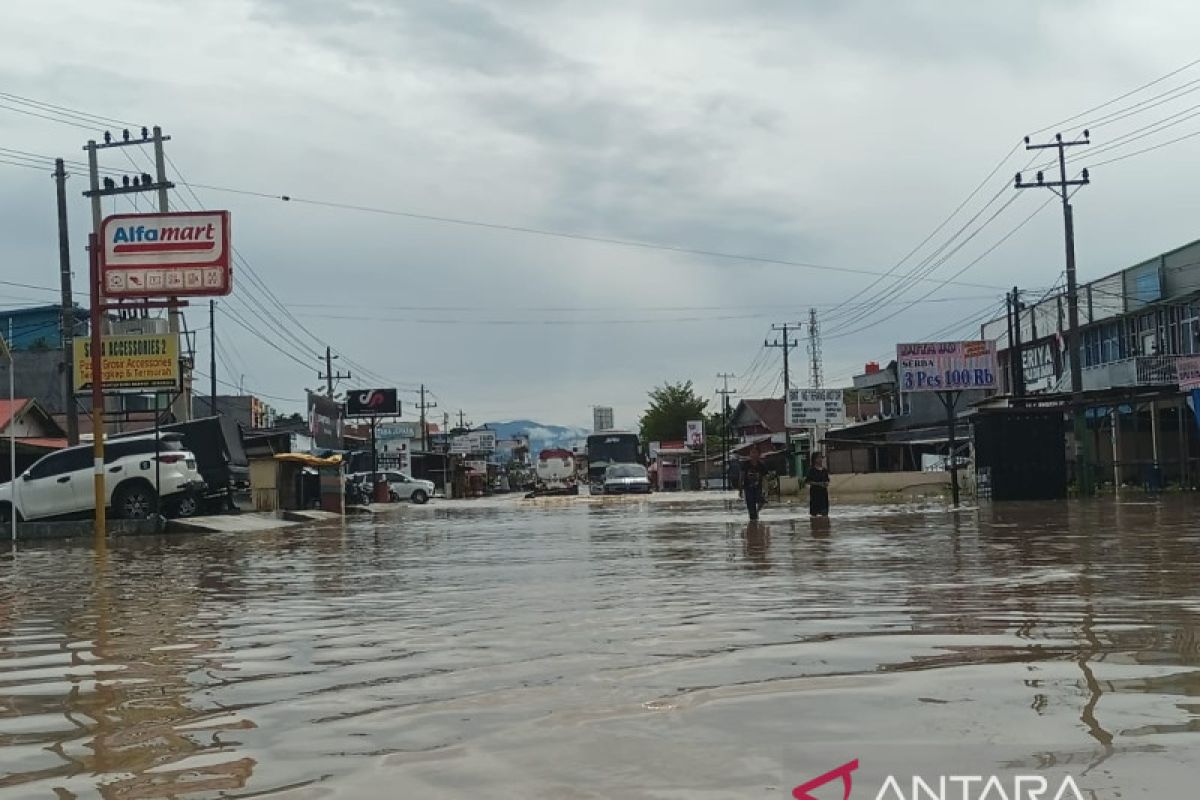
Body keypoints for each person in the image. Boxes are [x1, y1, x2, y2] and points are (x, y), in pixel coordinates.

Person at [741, 449, 767, 521]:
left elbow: (765, 478)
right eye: (752, 453)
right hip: (748, 489)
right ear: (750, 455)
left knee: (762, 501)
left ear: (758, 455)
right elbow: (741, 476)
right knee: (752, 512)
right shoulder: (746, 464)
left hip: (758, 488)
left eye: (755, 453)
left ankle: (757, 512)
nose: (753, 455)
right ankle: (752, 527)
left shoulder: (761, 465)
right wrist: (740, 489)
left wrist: (766, 490)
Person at [806, 453, 831, 517]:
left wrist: (826, 484)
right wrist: (818, 484)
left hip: (823, 494)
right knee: (814, 514)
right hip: (815, 495)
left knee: (825, 513)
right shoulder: (811, 470)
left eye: (821, 458)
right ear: (814, 460)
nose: (820, 459)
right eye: (818, 458)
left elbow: (827, 480)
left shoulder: (824, 470)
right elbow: (808, 481)